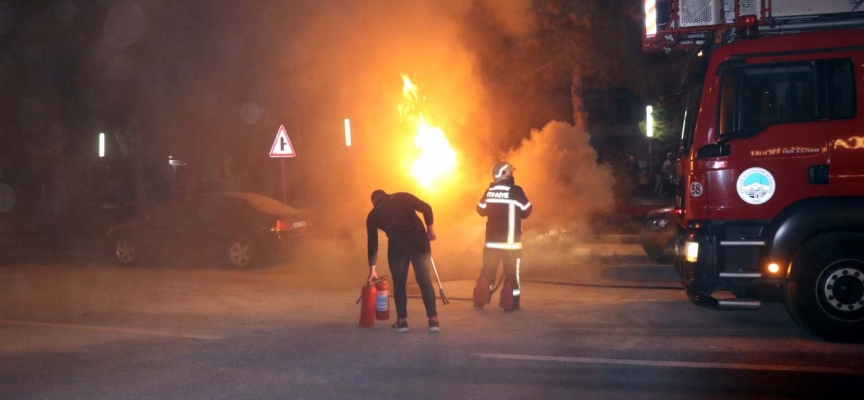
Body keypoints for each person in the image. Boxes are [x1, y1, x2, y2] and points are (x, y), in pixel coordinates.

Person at [366, 189, 440, 333]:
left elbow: (372, 243)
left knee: (399, 284)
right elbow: (427, 208)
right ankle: (433, 321)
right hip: (419, 242)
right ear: (386, 194)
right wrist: (430, 229)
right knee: (425, 281)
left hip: (398, 247)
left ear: (374, 202)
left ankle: (402, 322)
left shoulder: (373, 215)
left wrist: (372, 269)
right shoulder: (402, 196)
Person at [473, 162, 533, 312]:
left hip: (491, 243)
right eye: (510, 172)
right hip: (510, 244)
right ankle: (510, 304)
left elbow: (480, 210)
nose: (512, 175)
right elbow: (526, 211)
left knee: (487, 271)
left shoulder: (490, 191)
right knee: (512, 274)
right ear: (506, 174)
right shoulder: (515, 191)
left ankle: (480, 300)